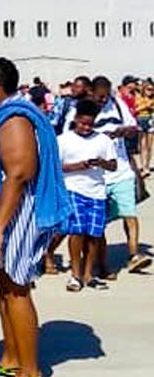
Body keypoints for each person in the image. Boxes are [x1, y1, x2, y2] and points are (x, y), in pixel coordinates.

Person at [0, 57, 72, 377]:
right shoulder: (3, 116)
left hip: (16, 216)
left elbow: (19, 172)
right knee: (2, 287)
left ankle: (30, 371)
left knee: (17, 289)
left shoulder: (15, 119)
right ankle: (11, 357)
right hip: (4, 213)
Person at [87, 76, 149, 275]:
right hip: (97, 176)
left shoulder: (117, 104)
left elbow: (134, 128)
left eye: (106, 97)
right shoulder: (83, 109)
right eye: (99, 97)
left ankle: (134, 255)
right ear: (92, 93)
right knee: (100, 222)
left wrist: (124, 131)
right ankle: (101, 262)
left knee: (129, 213)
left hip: (121, 171)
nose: (103, 101)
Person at [57, 99, 117, 291]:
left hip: (97, 191)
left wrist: (101, 163)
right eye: (82, 123)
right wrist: (78, 166)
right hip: (73, 189)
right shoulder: (63, 140)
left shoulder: (103, 140)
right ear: (75, 119)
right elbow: (55, 167)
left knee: (93, 233)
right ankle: (75, 274)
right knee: (77, 231)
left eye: (90, 124)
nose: (86, 127)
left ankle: (88, 273)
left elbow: (113, 165)